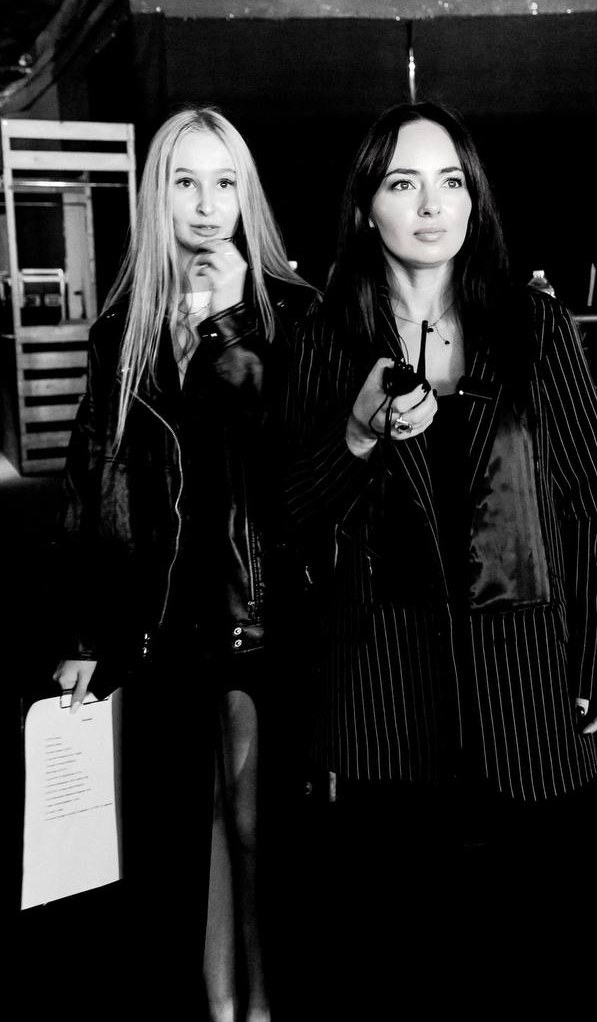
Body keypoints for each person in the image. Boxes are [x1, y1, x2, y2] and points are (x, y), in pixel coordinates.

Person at [284, 100, 597, 1014]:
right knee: (407, 942)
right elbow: (288, 513)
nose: (432, 204)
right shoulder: (327, 336)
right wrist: (357, 434)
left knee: (547, 932)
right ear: (367, 207)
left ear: (475, 199)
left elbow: (588, 500)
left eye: (451, 182)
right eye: (403, 183)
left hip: (526, 668)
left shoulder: (533, 324)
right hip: (385, 681)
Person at [51, 106, 312, 1022]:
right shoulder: (123, 329)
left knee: (254, 826)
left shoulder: (290, 312)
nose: (206, 205)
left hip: (259, 608)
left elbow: (289, 455)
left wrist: (230, 322)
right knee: (186, 833)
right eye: (185, 182)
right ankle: (221, 1007)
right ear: (155, 195)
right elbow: (92, 476)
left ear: (248, 195)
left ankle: (263, 1004)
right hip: (160, 614)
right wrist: (82, 631)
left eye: (224, 182)